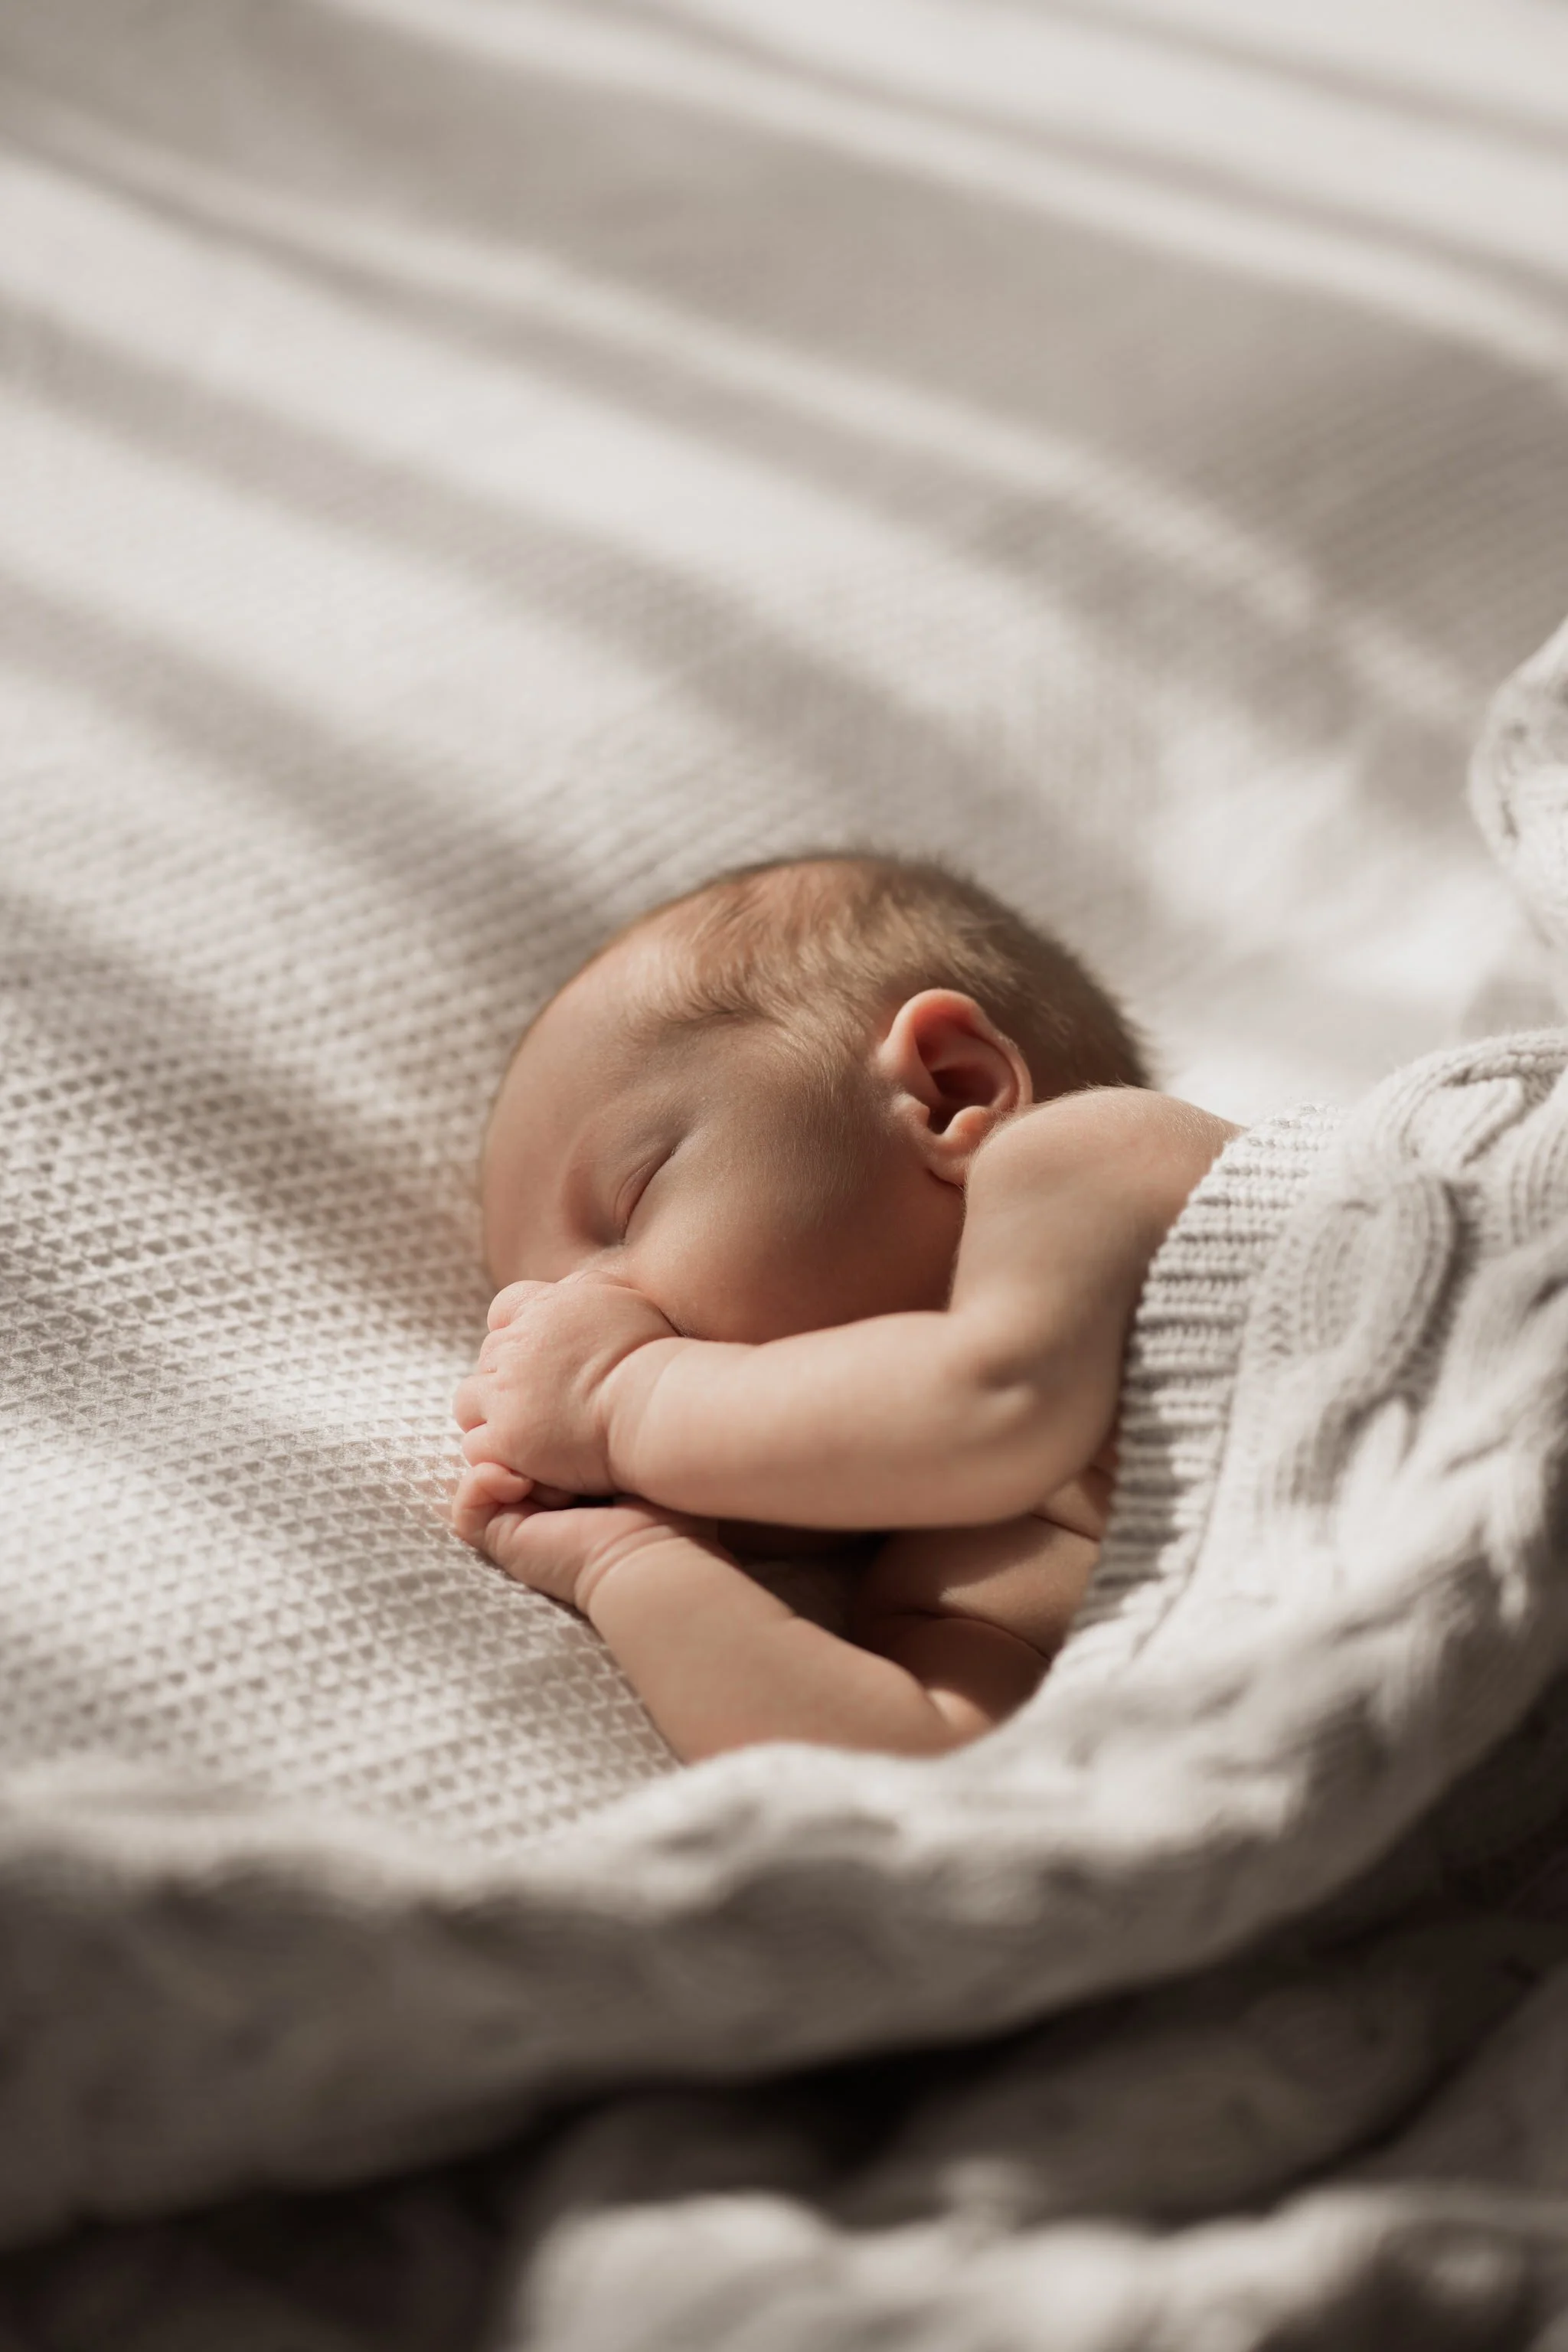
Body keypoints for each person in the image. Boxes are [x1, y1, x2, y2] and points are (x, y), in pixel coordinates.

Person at [452, 855, 1238, 1760]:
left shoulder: (1095, 1154)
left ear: (950, 1090)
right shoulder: (964, 1572)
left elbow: (997, 1405)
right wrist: (629, 1562)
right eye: (556, 1301)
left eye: (628, 1203)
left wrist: (620, 1396)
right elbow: (919, 1770)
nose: (588, 1316)